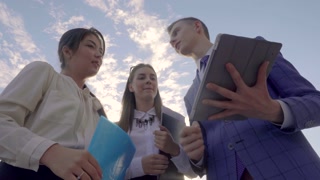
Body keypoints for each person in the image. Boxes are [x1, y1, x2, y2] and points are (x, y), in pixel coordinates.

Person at [167, 17, 320, 179]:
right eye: (170, 39)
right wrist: (196, 157)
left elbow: (315, 103)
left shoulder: (255, 50)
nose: (172, 41)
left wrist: (273, 110)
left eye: (176, 32)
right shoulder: (190, 97)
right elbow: (202, 155)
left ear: (197, 26)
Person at [0, 27, 106, 180]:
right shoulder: (44, 72)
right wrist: (48, 152)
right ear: (67, 51)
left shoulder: (96, 106)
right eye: (90, 46)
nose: (99, 55)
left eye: (101, 52)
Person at [118, 63, 197, 180]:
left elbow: (192, 172)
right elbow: (107, 173)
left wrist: (174, 149)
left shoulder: (176, 121)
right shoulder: (118, 129)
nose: (148, 81)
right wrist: (139, 166)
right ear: (131, 87)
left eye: (152, 78)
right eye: (141, 77)